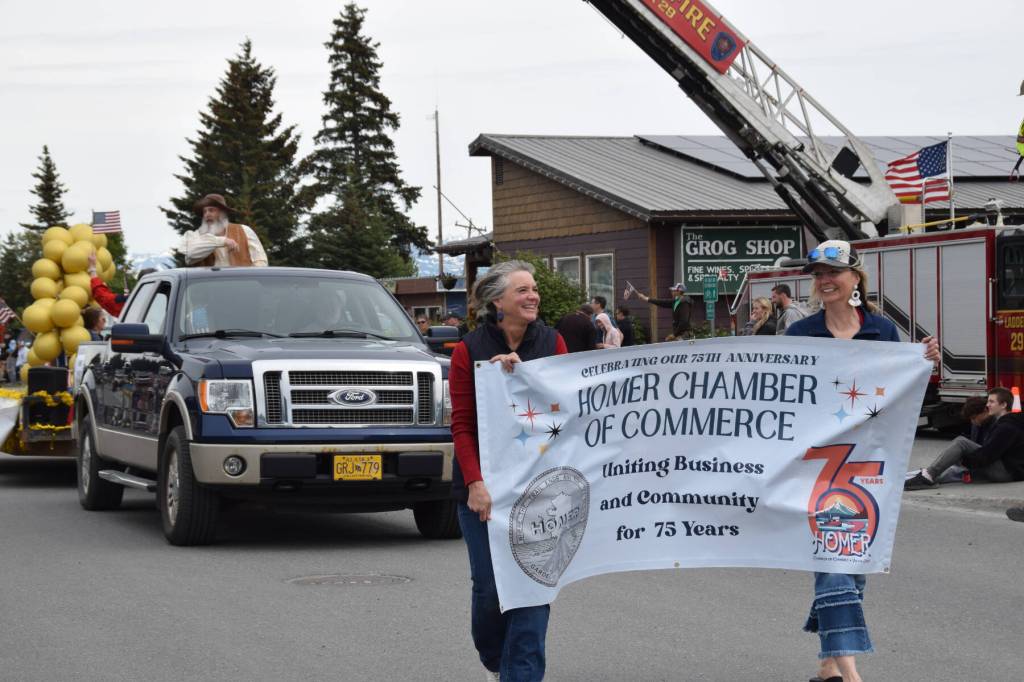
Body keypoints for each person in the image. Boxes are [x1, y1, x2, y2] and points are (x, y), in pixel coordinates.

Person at [785, 239, 940, 682]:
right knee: (835, 559)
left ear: (856, 278)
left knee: (854, 563)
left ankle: (827, 664)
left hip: (869, 464)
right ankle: (849, 674)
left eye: (832, 272)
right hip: (814, 466)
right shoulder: (800, 334)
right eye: (817, 275)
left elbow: (903, 396)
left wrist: (922, 363)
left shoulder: (883, 332)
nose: (824, 281)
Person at [448, 260, 568, 681]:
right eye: (522, 290)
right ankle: (495, 663)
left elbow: (566, 409)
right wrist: (474, 483)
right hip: (484, 491)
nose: (533, 295)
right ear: (498, 301)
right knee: (490, 590)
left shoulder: (552, 344)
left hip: (539, 490)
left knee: (533, 587)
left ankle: (520, 675)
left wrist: (525, 379)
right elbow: (461, 423)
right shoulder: (469, 350)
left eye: (534, 288)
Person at [905, 388, 1024, 489]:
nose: (987, 405)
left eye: (992, 402)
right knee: (954, 462)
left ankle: (927, 477)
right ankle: (926, 475)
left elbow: (987, 455)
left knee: (961, 443)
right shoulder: (1005, 423)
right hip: (1009, 470)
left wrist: (963, 459)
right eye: (988, 401)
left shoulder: (1007, 427)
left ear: (1003, 405)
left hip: (1007, 473)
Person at [178, 193, 268, 267]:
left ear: (222, 213)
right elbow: (190, 256)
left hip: (242, 285)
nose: (207, 214)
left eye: (211, 210)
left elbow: (260, 261)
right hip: (210, 286)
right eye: (204, 211)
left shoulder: (244, 230)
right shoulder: (196, 236)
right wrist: (222, 241)